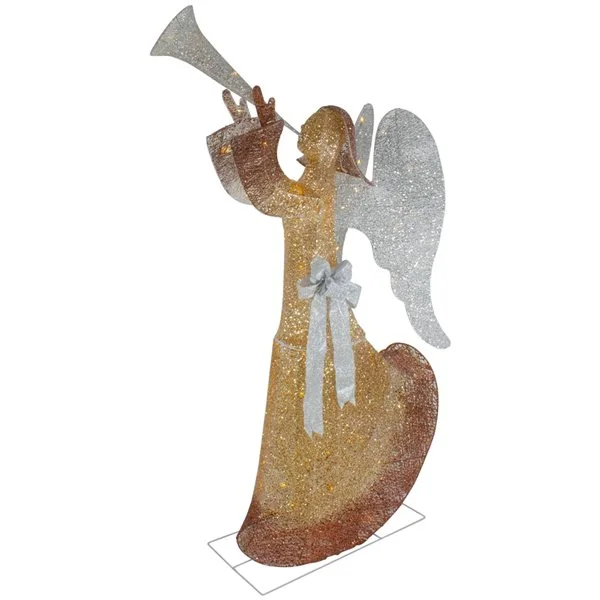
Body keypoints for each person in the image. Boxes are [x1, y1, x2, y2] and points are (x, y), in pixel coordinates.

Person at [206, 86, 438, 566]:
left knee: (311, 396)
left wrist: (258, 132)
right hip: (319, 316)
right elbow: (256, 189)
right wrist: (255, 130)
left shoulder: (313, 193)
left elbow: (262, 188)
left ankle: (305, 508)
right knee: (314, 399)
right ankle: (309, 499)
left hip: (314, 323)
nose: (306, 132)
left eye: (316, 128)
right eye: (307, 127)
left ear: (331, 144)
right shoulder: (323, 190)